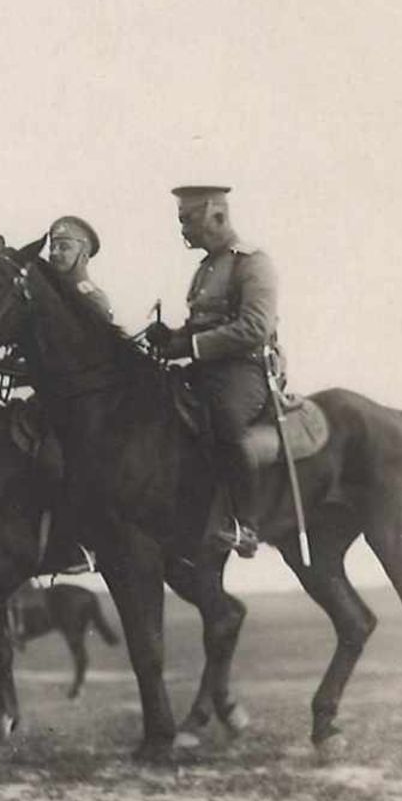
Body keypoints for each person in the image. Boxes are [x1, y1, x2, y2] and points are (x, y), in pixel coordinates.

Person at [145, 185, 279, 556]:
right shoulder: (205, 269)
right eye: (181, 220)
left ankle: (245, 524)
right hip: (207, 369)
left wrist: (190, 346)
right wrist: (169, 339)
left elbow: (256, 327)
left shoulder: (252, 262)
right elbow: (200, 327)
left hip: (245, 372)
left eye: (189, 220)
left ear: (217, 215)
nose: (184, 229)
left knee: (224, 421)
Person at [44, 215, 113, 322]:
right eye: (52, 247)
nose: (54, 253)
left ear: (83, 257)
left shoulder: (93, 299)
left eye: (64, 247)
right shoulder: (44, 290)